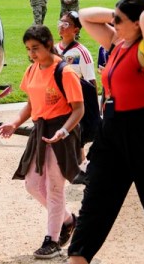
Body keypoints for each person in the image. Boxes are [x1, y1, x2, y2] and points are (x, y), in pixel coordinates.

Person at [68, 0, 144, 264]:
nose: (114, 24)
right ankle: (78, 257)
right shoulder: (118, 42)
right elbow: (85, 15)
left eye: (120, 20)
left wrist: (141, 10)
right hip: (112, 129)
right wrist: (117, 15)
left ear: (137, 22)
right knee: (95, 201)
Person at [0, 25, 84, 259]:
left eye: (35, 48)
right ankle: (68, 220)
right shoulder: (31, 69)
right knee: (33, 185)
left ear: (49, 44)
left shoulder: (65, 72)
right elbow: (31, 102)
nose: (31, 54)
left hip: (61, 132)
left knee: (55, 187)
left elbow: (79, 110)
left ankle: (52, 240)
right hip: (41, 130)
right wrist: (14, 123)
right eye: (28, 49)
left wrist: (64, 132)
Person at [55, 11, 97, 185]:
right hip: (59, 100)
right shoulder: (55, 49)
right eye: (61, 23)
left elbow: (91, 81)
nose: (61, 27)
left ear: (76, 30)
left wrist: (93, 107)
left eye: (66, 24)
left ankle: (82, 166)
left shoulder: (82, 52)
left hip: (76, 100)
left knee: (77, 136)